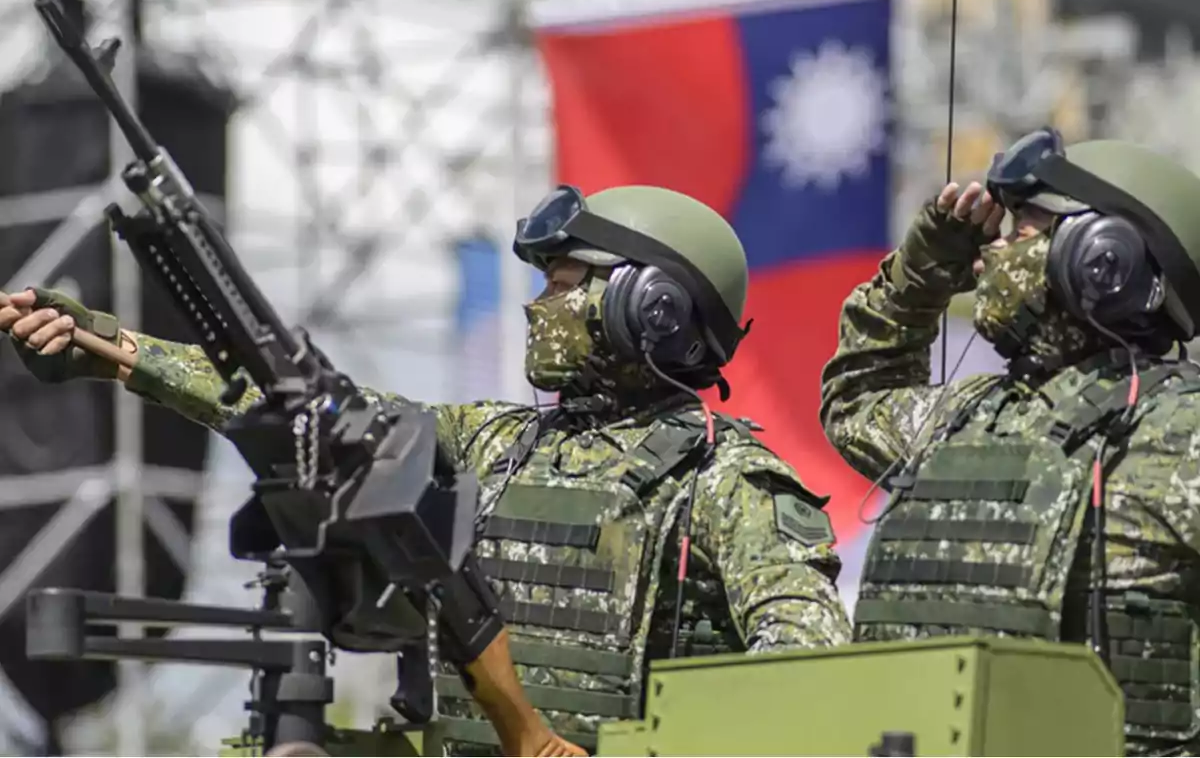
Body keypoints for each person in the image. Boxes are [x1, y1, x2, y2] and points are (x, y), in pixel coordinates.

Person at [3, 184, 851, 755]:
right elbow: (313, 414)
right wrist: (116, 350)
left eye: (563, 285)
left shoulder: (722, 481)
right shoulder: (493, 442)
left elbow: (818, 694)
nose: (538, 306)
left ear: (652, 310)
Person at [820, 129, 1200, 756]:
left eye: (1020, 233)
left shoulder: (1177, 431)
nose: (986, 258)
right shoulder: (966, 415)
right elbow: (859, 393)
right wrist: (923, 270)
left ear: (1104, 259)